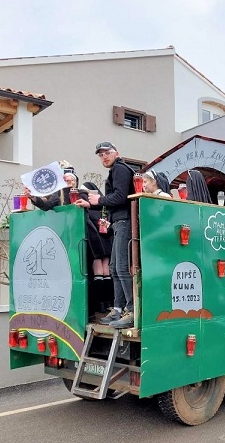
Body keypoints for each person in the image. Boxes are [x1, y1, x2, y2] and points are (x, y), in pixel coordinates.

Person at [77, 141, 135, 329]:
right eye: (100, 155)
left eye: (107, 153)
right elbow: (115, 201)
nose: (104, 157)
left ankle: (132, 311)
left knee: (121, 267)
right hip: (119, 221)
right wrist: (92, 204)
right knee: (114, 267)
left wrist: (98, 199)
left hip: (125, 221)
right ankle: (118, 308)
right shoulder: (116, 170)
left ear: (116, 153)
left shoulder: (120, 168)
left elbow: (120, 197)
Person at [80, 181, 113, 313]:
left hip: (95, 241)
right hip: (107, 240)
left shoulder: (87, 209)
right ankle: (109, 302)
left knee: (98, 270)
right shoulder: (104, 209)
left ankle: (100, 304)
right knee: (107, 271)